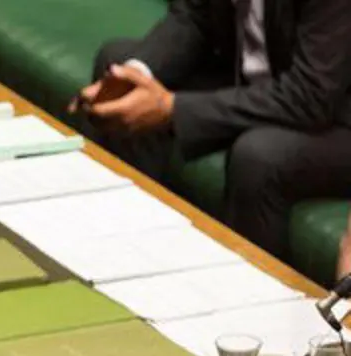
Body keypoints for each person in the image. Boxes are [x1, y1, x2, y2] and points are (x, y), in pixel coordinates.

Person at [70, 0, 351, 263]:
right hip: (260, 80)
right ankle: (122, 253)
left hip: (336, 117)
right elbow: (193, 15)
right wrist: (134, 74)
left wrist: (174, 110)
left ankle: (251, 297)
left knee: (259, 156)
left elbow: (310, 96)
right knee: (119, 62)